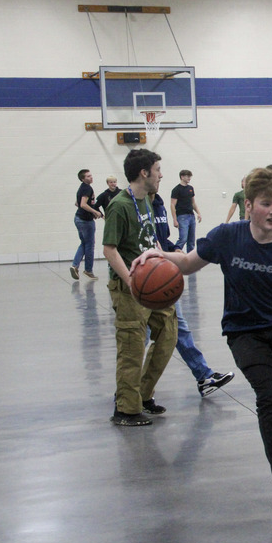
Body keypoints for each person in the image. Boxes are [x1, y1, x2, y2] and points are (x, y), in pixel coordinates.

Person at [131, 165, 272, 519]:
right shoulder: (227, 237)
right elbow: (189, 263)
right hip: (244, 331)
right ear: (249, 204)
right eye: (266, 203)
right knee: (269, 396)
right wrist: (160, 255)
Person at [102, 149, 178, 427]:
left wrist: (166, 258)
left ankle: (143, 394)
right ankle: (126, 408)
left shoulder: (147, 200)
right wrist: (131, 281)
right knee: (132, 347)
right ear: (144, 173)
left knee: (169, 333)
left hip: (152, 283)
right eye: (158, 169)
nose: (161, 174)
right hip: (129, 287)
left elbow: (151, 239)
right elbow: (109, 249)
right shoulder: (120, 205)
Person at [152, 190, 235, 396]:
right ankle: (127, 394)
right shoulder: (134, 204)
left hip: (161, 276)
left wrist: (171, 249)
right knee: (139, 341)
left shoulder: (157, 203)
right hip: (145, 280)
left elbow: (159, 238)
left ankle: (204, 376)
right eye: (157, 170)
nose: (161, 175)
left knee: (180, 328)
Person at [71, 168, 102, 280]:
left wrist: (89, 210)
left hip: (79, 218)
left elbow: (77, 203)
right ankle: (88, 270)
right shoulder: (87, 188)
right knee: (89, 245)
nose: (91, 177)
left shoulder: (82, 188)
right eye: (88, 176)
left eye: (91, 175)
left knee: (84, 243)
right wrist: (95, 212)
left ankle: (75, 265)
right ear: (83, 179)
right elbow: (83, 204)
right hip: (85, 221)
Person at [171, 169, 202, 252]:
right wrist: (174, 220)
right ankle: (175, 253)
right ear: (182, 177)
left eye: (190, 176)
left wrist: (198, 213)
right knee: (183, 238)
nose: (189, 178)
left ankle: (190, 260)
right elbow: (172, 205)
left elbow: (193, 202)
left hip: (191, 216)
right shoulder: (176, 189)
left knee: (191, 241)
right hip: (182, 217)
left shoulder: (190, 188)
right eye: (188, 176)